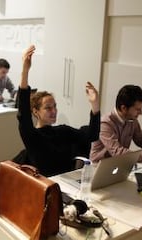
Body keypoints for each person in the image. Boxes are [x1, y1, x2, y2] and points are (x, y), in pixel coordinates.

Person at [13, 45, 100, 176]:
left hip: (67, 184)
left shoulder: (63, 131)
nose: (54, 111)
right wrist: (25, 70)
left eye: (55, 106)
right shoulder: (33, 137)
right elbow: (23, 115)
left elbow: (92, 135)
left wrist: (95, 104)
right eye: (48, 108)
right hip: (47, 188)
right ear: (36, 112)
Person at [90, 84, 142, 163]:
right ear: (124, 108)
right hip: (99, 168)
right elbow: (118, 153)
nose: (141, 113)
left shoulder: (131, 120)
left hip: (119, 165)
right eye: (137, 109)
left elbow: (141, 140)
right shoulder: (105, 123)